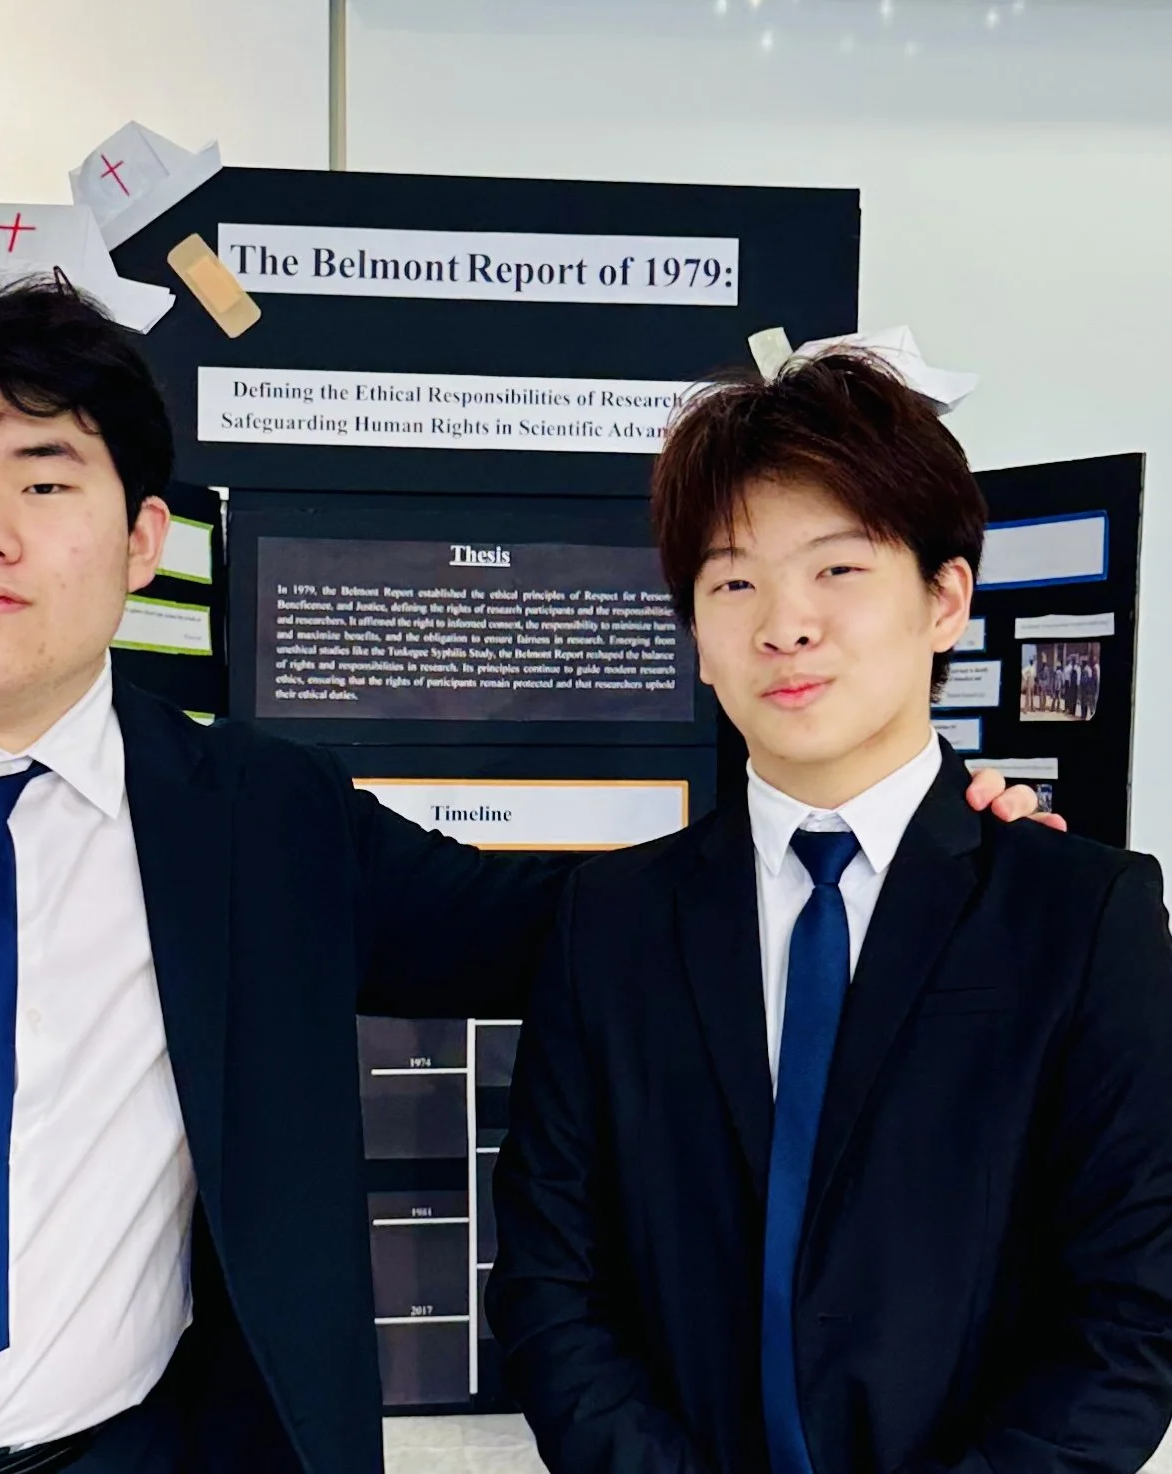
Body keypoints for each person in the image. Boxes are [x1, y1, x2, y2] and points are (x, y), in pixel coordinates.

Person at [0, 288, 1049, 1474]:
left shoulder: (261, 820)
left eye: (45, 481)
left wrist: (900, 835)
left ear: (140, 539)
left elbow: (587, 926)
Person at [487, 352, 1172, 1474]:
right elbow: (549, 1287)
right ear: (695, 636)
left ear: (942, 598)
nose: (782, 625)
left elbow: (1130, 1313)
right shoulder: (608, 923)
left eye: (837, 568)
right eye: (730, 583)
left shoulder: (1080, 913)